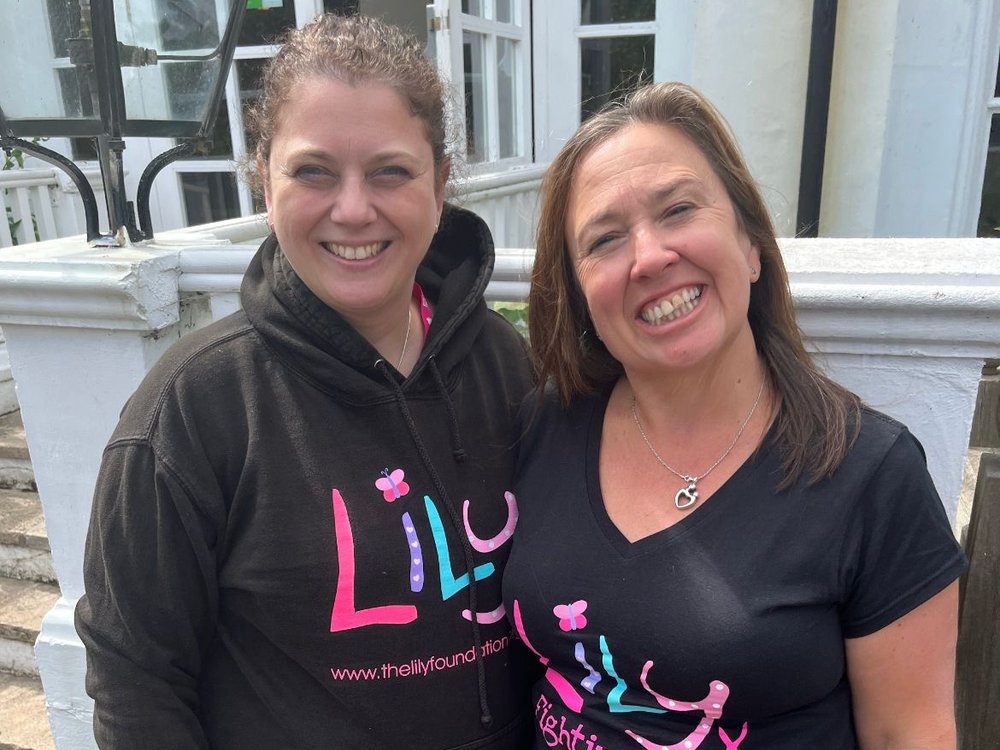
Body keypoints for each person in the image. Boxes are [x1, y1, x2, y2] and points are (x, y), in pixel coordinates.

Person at [75, 13, 535, 749]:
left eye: (390, 170)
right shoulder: (192, 410)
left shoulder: (507, 366)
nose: (353, 209)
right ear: (264, 179)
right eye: (313, 171)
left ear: (441, 183)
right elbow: (137, 684)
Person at [502, 81, 967, 749]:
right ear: (580, 300)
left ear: (751, 245)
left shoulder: (870, 475)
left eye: (679, 209)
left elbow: (908, 734)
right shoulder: (546, 426)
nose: (650, 256)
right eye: (605, 239)